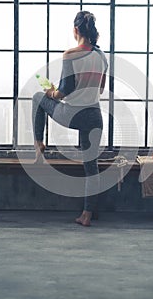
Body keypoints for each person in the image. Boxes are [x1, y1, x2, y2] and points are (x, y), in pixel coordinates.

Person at [32, 11, 108, 226]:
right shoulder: (102, 57)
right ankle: (87, 215)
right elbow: (100, 89)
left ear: (75, 31)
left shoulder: (70, 54)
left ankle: (39, 143)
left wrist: (52, 93)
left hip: (73, 114)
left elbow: (65, 90)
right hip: (94, 115)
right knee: (91, 167)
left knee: (38, 98)